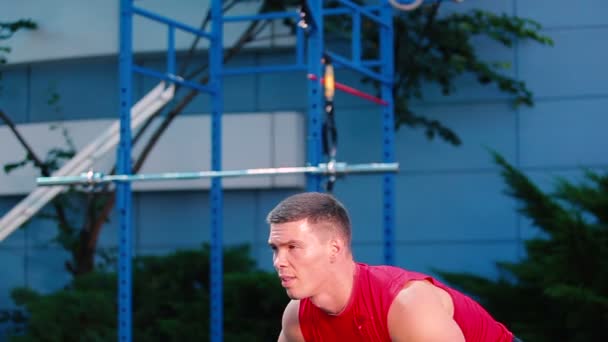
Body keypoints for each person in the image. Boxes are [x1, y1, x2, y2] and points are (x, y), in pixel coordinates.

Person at [266, 192, 521, 342]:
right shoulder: (298, 319)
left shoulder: (405, 305)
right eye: (275, 249)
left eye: (293, 247)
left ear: (334, 248)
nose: (280, 261)